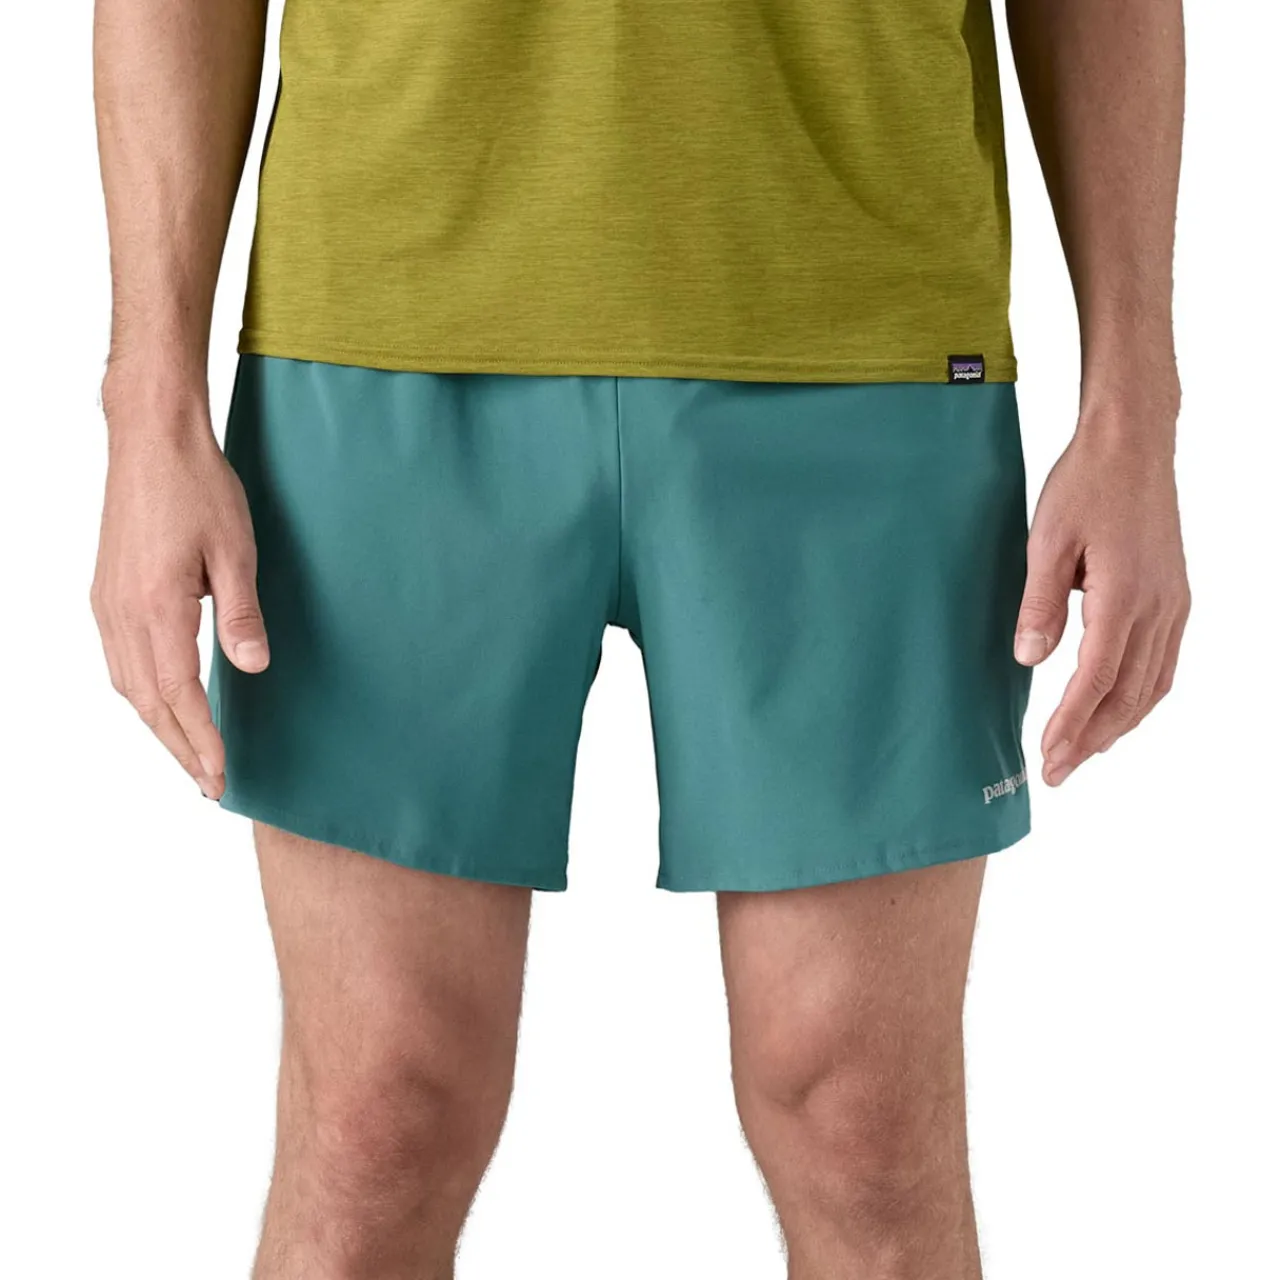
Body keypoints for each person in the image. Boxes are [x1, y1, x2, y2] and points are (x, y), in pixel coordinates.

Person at [90, 0, 1190, 1274]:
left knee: (864, 1128)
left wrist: (1133, 409)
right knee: (375, 1122)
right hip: (381, 325)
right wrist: (148, 405)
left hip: (859, 337)